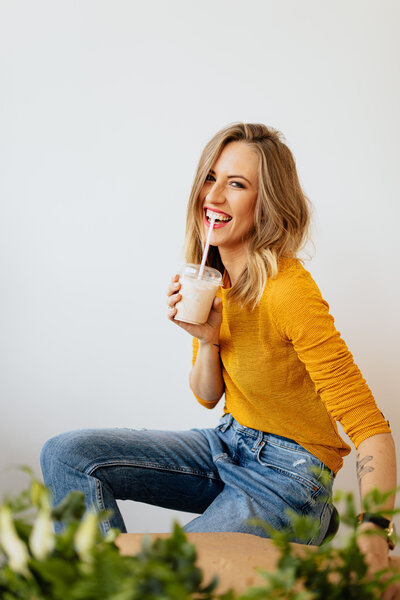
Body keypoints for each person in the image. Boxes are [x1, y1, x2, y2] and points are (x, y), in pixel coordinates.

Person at [41, 122, 396, 582]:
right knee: (66, 455)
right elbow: (208, 396)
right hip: (229, 442)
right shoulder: (214, 278)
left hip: (289, 474)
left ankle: (302, 518)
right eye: (211, 178)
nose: (214, 195)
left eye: (237, 184)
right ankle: (103, 583)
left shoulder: (288, 292)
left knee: (162, 574)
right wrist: (207, 338)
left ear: (266, 203)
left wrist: (375, 529)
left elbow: (370, 428)